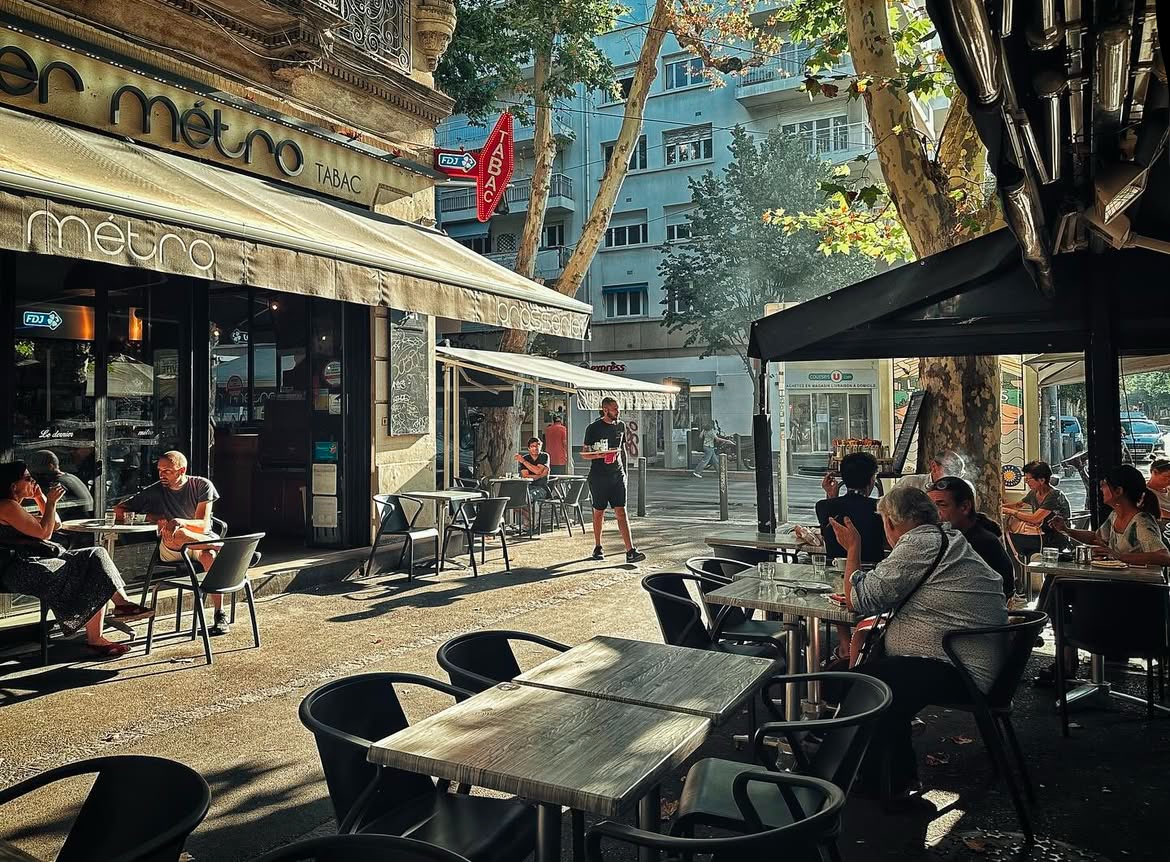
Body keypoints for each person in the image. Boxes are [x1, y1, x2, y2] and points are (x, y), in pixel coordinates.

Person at [828, 486, 1007, 800]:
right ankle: (879, 775)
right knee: (855, 675)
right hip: (967, 659)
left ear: (893, 523)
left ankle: (887, 782)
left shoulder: (919, 543)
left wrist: (852, 548)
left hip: (958, 666)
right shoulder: (946, 539)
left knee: (869, 684)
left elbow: (861, 599)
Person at [0, 461, 151, 657]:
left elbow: (56, 525)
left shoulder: (16, 508)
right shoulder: (6, 506)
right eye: (28, 479)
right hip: (18, 569)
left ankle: (121, 604)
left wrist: (39, 497)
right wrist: (52, 502)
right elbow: (45, 533)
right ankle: (96, 637)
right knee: (88, 572)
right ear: (14, 486)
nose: (33, 482)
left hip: (35, 561)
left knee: (96, 554)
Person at [114, 451, 228, 635]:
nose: (161, 474)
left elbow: (204, 524)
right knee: (178, 533)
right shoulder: (157, 489)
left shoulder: (201, 485)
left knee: (209, 555)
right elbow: (119, 510)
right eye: (159, 469)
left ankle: (219, 613)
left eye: (167, 470)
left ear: (181, 470)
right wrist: (152, 518)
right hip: (172, 545)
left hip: (199, 543)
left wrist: (179, 521)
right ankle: (227, 550)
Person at [927, 476, 1017, 599]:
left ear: (964, 507)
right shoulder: (946, 537)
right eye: (931, 506)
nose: (933, 513)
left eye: (941, 505)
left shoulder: (982, 543)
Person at [581, 397, 645, 563]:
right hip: (598, 476)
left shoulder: (620, 426)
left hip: (617, 474)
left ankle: (630, 550)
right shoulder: (593, 428)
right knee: (599, 511)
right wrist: (599, 455)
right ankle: (598, 546)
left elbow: (622, 448)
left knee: (621, 511)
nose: (618, 412)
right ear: (605, 409)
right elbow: (585, 453)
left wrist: (624, 471)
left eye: (618, 409)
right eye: (615, 409)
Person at [816, 452, 887, 565]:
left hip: (836, 569)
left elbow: (836, 512)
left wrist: (831, 496)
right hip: (871, 572)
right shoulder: (881, 507)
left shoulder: (822, 506)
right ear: (871, 480)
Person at [1001, 460, 1070, 561]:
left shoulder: (1054, 495)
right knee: (1008, 538)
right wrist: (1000, 506)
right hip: (1042, 535)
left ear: (1042, 480)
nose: (1026, 482)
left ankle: (1016, 574)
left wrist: (1009, 512)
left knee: (1007, 540)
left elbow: (1035, 519)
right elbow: (1017, 505)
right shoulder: (1034, 493)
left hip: (1055, 539)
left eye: (1029, 479)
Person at [26, 450, 93, 516]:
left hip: (73, 524)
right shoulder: (70, 477)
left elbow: (51, 513)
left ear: (51, 466)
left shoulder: (58, 484)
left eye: (37, 469)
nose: (34, 474)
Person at [895, 449, 968, 491]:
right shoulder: (910, 483)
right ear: (934, 466)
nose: (955, 477)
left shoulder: (963, 489)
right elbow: (886, 506)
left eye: (960, 473)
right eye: (950, 470)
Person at [516, 437, 552, 517]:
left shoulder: (544, 456)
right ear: (529, 448)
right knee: (514, 499)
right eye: (533, 446)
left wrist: (524, 462)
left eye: (538, 445)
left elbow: (538, 470)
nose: (535, 448)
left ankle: (531, 522)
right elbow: (525, 476)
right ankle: (530, 518)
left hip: (542, 488)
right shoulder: (525, 458)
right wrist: (539, 475)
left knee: (526, 498)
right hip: (527, 487)